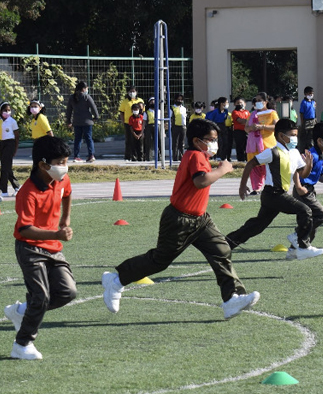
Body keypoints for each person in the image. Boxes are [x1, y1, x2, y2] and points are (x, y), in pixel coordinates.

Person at [102, 118, 260, 319]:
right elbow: (201, 181)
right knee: (160, 260)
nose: (214, 143)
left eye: (216, 139)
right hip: (180, 219)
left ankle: (232, 298)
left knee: (222, 250)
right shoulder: (195, 155)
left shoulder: (199, 155)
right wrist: (223, 170)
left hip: (200, 219)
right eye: (210, 139)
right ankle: (116, 280)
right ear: (196, 141)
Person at [2, 136, 77, 360]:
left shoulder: (62, 180)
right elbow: (25, 230)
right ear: (43, 164)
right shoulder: (28, 193)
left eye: (66, 161)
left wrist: (66, 218)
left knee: (67, 292)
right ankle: (22, 344)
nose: (64, 167)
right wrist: (57, 233)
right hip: (30, 248)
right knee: (41, 296)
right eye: (60, 162)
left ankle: (21, 311)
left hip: (53, 247)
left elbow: (68, 193)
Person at [225, 118, 323, 260]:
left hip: (278, 195)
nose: (295, 138)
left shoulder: (294, 153)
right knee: (305, 210)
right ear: (280, 136)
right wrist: (242, 185)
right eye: (292, 135)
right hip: (273, 194)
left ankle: (225, 245)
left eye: (296, 135)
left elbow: (303, 173)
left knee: (257, 225)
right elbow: (250, 164)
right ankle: (302, 245)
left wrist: (308, 164)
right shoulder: (273, 152)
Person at [287, 121, 323, 259]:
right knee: (321, 215)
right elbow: (296, 170)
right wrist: (299, 187)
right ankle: (297, 236)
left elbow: (320, 177)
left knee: (311, 224)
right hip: (303, 189)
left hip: (310, 189)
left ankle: (294, 251)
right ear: (319, 140)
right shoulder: (310, 154)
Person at [245, 93, 277, 194]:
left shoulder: (272, 113)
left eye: (260, 100)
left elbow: (276, 127)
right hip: (253, 146)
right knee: (254, 166)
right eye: (256, 100)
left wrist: (261, 127)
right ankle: (257, 188)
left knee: (268, 167)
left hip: (268, 144)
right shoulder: (252, 114)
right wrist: (251, 128)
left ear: (266, 102)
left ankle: (270, 186)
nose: (257, 102)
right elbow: (246, 128)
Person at [64, 81, 98, 163]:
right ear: (83, 89)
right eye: (86, 88)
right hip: (87, 122)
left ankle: (76, 156)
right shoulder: (87, 97)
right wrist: (96, 117)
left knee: (77, 139)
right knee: (89, 139)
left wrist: (68, 121)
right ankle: (91, 155)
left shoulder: (72, 98)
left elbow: (69, 110)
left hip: (77, 122)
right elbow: (94, 108)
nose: (87, 90)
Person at [0, 101, 20, 198]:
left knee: (5, 168)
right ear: (1, 111)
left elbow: (17, 136)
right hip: (2, 143)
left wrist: (15, 148)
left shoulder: (12, 121)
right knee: (6, 167)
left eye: (9, 110)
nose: (7, 112)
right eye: (5, 110)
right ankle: (17, 186)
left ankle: (3, 190)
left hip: (10, 143)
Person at [205, 97, 231, 161]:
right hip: (216, 126)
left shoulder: (226, 111)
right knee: (219, 142)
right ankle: (218, 156)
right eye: (226, 102)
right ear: (222, 104)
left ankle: (224, 156)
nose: (227, 104)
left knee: (225, 142)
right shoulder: (215, 112)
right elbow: (210, 121)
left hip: (223, 126)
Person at [298, 86, 318, 152]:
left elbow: (314, 111)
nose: (311, 95)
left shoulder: (313, 102)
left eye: (312, 93)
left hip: (313, 120)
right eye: (309, 93)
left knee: (311, 136)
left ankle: (311, 149)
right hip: (306, 121)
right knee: (305, 136)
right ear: (305, 94)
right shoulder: (304, 102)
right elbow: (301, 113)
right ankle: (303, 150)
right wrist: (302, 122)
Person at [171, 94, 188, 160]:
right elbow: (170, 118)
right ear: (175, 100)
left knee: (182, 143)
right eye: (178, 99)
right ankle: (175, 157)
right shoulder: (172, 108)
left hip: (183, 127)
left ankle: (181, 157)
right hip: (175, 126)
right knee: (175, 142)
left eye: (181, 99)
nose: (180, 101)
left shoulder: (184, 108)